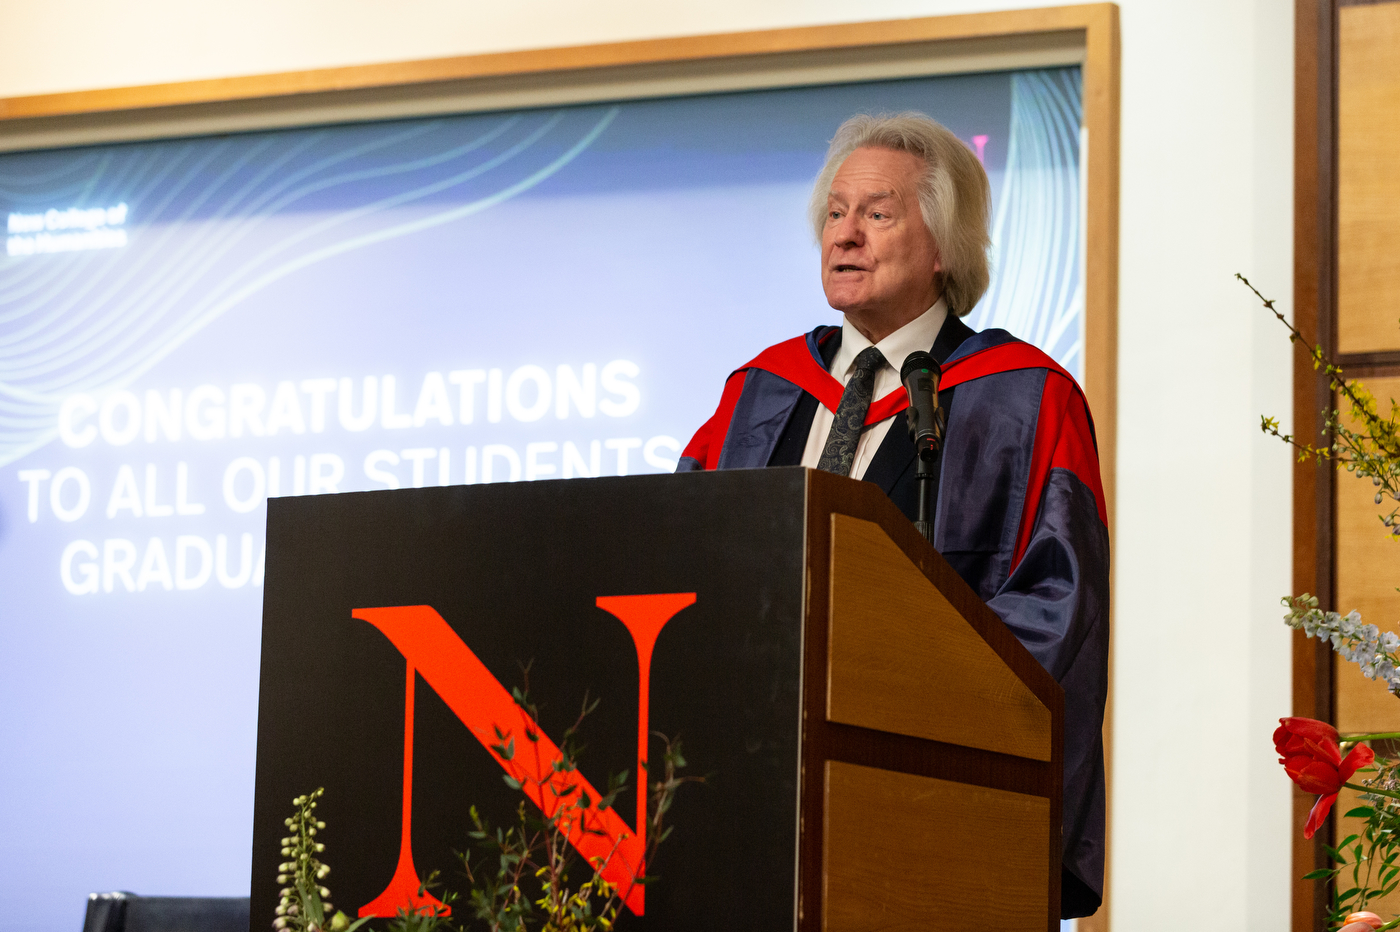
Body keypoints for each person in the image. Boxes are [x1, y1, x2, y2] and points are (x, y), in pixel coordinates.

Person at [676, 112, 1109, 919]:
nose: (846, 236)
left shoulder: (1025, 399)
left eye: (878, 214)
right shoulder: (758, 394)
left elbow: (1058, 612)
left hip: (928, 813)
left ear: (945, 247)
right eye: (835, 214)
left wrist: (899, 680)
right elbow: (678, 569)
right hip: (747, 799)